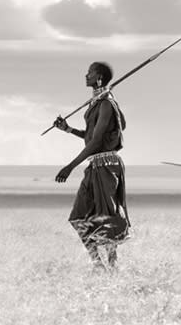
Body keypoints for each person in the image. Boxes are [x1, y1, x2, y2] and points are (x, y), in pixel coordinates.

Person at [53, 61, 130, 270]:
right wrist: (68, 130)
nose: (85, 75)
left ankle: (113, 267)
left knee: (108, 218)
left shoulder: (106, 103)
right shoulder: (98, 102)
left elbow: (98, 141)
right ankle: (98, 264)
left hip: (107, 166)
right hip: (95, 166)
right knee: (79, 217)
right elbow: (92, 136)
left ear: (99, 78)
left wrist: (70, 167)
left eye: (90, 73)